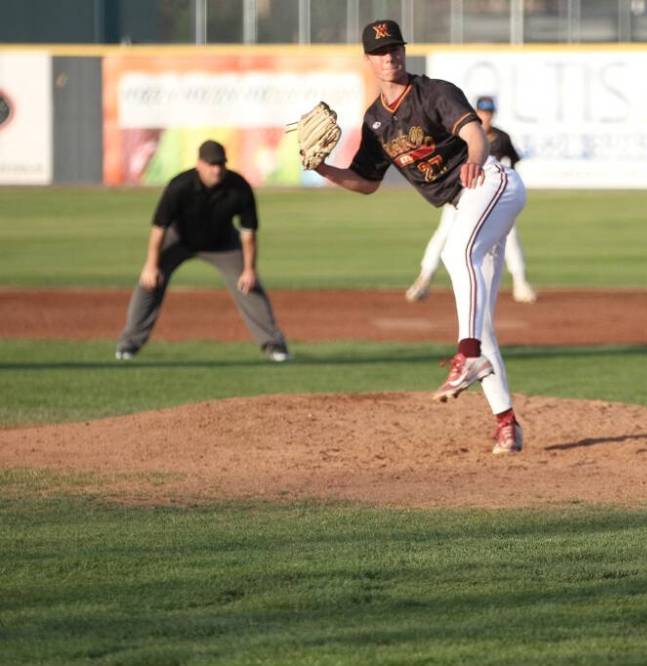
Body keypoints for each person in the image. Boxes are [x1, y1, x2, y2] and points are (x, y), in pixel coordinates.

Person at [313, 19, 526, 454]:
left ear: (403, 52)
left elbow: (473, 135)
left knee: (454, 251)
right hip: (463, 203)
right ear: (369, 59)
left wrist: (473, 158)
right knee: (479, 315)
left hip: (491, 184)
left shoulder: (434, 92)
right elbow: (365, 181)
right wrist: (321, 168)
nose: (389, 56)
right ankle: (507, 423)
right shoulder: (376, 122)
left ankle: (467, 354)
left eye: (395, 48)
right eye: (380, 51)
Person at [115, 140, 291, 363]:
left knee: (248, 284)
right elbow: (159, 228)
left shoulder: (239, 188)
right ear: (199, 164)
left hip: (223, 243)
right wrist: (151, 264)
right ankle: (128, 344)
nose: (216, 169)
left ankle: (274, 345)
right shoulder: (180, 186)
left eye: (220, 164)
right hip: (179, 239)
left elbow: (248, 233)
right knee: (149, 281)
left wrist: (249, 269)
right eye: (211, 164)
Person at [405, 95, 537, 304]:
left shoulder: (501, 138)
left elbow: (513, 163)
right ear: (476, 113)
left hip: (494, 198)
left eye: (489, 112)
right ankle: (424, 280)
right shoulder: (465, 135)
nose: (486, 116)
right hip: (463, 196)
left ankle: (520, 283)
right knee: (444, 234)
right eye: (483, 112)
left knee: (510, 235)